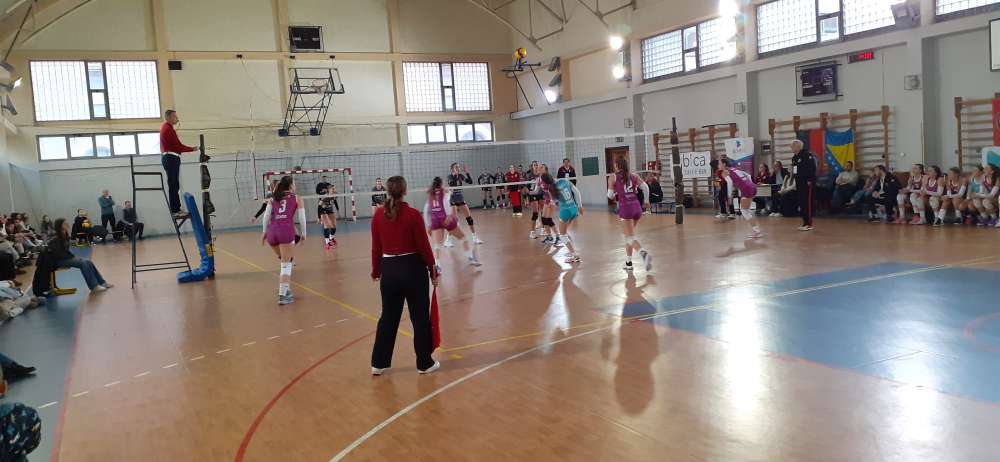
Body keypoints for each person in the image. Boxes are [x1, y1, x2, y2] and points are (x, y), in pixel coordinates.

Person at [370, 176, 440, 376]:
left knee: (388, 318)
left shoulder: (378, 216)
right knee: (420, 318)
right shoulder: (413, 215)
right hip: (413, 270)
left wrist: (376, 271)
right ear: (405, 191)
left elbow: (376, 247)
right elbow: (424, 247)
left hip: (389, 271)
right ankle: (424, 363)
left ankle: (378, 363)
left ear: (387, 191)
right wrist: (433, 270)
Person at [261, 176, 306, 305]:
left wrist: (264, 232)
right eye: (294, 183)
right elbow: (302, 218)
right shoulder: (297, 198)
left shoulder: (273, 198)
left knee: (286, 260)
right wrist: (304, 233)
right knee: (286, 265)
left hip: (272, 232)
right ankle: (283, 294)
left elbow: (266, 216)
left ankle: (286, 289)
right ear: (291, 185)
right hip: (286, 231)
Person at [424, 177, 481, 268]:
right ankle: (471, 258)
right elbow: (447, 203)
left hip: (435, 221)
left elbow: (426, 210)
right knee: (463, 238)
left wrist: (428, 225)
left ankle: (437, 265)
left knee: (437, 245)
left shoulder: (430, 194)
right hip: (446, 219)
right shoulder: (445, 192)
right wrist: (449, 216)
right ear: (441, 184)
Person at [607, 157, 652, 272]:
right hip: (637, 208)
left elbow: (609, 195)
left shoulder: (613, 177)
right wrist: (646, 201)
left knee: (629, 237)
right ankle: (628, 262)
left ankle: (644, 254)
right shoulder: (634, 176)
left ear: (616, 165)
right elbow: (645, 187)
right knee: (628, 236)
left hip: (626, 209)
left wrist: (616, 194)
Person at [50, 218, 112, 292]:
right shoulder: (56, 238)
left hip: (65, 258)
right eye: (65, 224)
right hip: (59, 261)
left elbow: (65, 251)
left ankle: (102, 283)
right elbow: (58, 254)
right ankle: (94, 286)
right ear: (60, 226)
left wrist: (72, 257)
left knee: (88, 261)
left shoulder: (65, 235)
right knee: (83, 263)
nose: (67, 224)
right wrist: (72, 257)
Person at [160, 110, 197, 220]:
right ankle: (175, 210)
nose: (177, 118)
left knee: (174, 184)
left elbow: (177, 146)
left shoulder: (167, 128)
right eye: (175, 116)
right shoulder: (168, 129)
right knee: (173, 185)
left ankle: (176, 209)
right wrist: (192, 149)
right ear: (169, 118)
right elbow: (178, 146)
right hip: (171, 158)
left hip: (170, 158)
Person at [715, 160, 763, 239]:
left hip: (747, 189)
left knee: (744, 211)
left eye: (719, 163)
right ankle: (756, 230)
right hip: (752, 186)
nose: (718, 165)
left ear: (724, 164)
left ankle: (757, 231)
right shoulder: (733, 169)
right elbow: (748, 175)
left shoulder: (724, 172)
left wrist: (729, 196)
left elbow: (730, 183)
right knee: (746, 211)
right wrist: (750, 184)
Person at [445, 163, 482, 245]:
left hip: (460, 198)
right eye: (456, 167)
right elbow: (452, 184)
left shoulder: (461, 176)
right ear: (452, 169)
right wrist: (455, 175)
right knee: (454, 221)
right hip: (453, 200)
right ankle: (448, 240)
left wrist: (467, 173)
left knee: (469, 218)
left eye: (459, 167)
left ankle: (474, 238)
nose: (458, 168)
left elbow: (470, 182)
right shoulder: (450, 177)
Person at [552, 174, 584, 263]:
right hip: (574, 209)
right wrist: (580, 206)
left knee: (562, 235)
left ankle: (574, 255)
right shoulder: (564, 180)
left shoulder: (552, 188)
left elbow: (555, 202)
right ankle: (572, 251)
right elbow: (576, 192)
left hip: (565, 211)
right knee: (565, 232)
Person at [790, 139, 817, 231]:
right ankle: (805, 223)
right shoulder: (794, 158)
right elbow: (795, 170)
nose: (791, 148)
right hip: (799, 183)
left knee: (807, 203)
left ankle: (809, 224)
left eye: (792, 146)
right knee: (802, 202)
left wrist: (809, 180)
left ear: (798, 146)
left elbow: (812, 168)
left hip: (807, 182)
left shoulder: (807, 155)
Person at [315, 177, 339, 250]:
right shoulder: (325, 197)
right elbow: (319, 207)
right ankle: (327, 243)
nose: (334, 190)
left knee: (334, 226)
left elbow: (335, 202)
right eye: (333, 189)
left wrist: (338, 210)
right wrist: (319, 218)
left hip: (330, 210)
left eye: (334, 189)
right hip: (323, 211)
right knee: (327, 225)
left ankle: (331, 238)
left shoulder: (335, 196)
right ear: (329, 190)